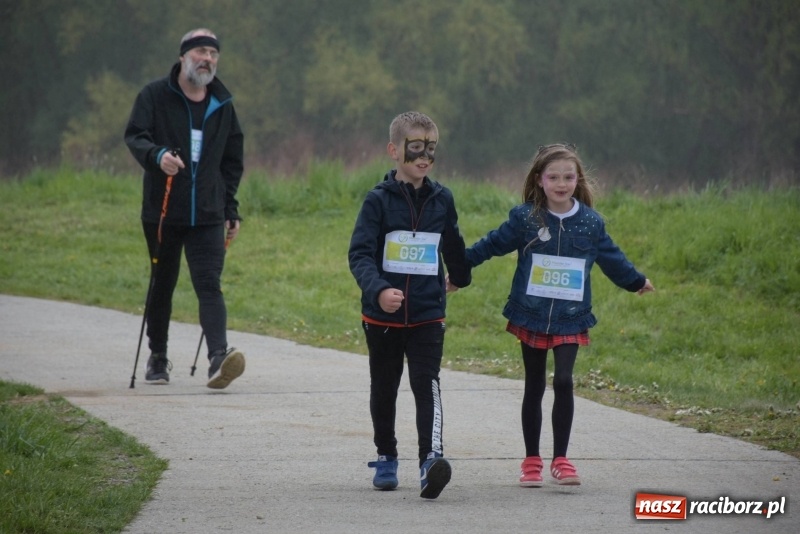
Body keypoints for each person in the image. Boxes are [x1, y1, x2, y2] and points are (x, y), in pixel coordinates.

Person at [465, 143, 654, 487]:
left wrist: (636, 281)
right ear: (540, 180)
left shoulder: (590, 223)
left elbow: (612, 258)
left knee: (564, 380)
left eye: (568, 177)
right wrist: (460, 267)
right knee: (534, 385)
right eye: (554, 177)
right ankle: (532, 460)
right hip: (531, 314)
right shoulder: (525, 218)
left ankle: (562, 459)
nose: (562, 183)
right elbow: (492, 244)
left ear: (578, 179)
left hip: (571, 315)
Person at [348, 111, 472, 499]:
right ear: (393, 150)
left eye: (431, 149)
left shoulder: (442, 198)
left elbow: (451, 242)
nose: (424, 157)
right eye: (415, 148)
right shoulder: (377, 201)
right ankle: (386, 456)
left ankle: (430, 460)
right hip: (381, 317)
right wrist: (379, 290)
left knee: (426, 384)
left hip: (427, 315)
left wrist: (461, 275)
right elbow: (360, 255)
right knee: (384, 388)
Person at [124, 28, 246, 389]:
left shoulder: (222, 104)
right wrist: (157, 155)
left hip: (208, 213)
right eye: (199, 52)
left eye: (212, 53)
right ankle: (158, 357)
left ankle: (218, 358)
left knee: (209, 284)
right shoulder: (154, 96)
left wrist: (231, 208)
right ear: (183, 57)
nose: (207, 59)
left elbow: (232, 161)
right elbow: (135, 135)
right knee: (163, 283)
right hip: (163, 211)